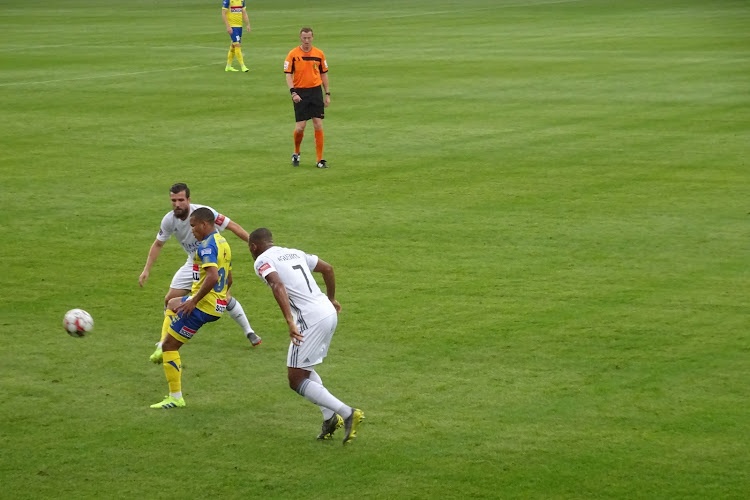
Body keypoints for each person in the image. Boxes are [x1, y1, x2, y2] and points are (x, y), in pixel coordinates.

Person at [248, 228, 364, 444]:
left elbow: (277, 284)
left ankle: (347, 413)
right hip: (327, 312)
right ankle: (330, 418)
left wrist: (290, 321)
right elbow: (328, 269)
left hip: (309, 319)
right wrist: (331, 299)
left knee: (296, 379)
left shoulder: (261, 260)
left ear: (253, 247)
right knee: (304, 369)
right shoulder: (294, 252)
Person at [139, 183, 261, 363]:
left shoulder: (205, 213)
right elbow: (158, 244)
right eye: (173, 200)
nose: (177, 204)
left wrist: (253, 245)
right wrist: (146, 269)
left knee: (223, 297)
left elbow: (231, 225)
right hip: (194, 262)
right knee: (169, 300)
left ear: (189, 199)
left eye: (181, 200)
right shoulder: (169, 220)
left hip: (214, 257)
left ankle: (249, 331)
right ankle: (164, 341)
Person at [150, 208, 232, 409]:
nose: (192, 230)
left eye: (194, 226)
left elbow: (213, 276)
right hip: (216, 304)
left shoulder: (206, 246)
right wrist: (221, 296)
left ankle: (175, 397)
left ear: (205, 224)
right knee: (171, 303)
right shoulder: (223, 243)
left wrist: (194, 300)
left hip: (203, 306)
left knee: (171, 346)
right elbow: (228, 277)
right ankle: (161, 345)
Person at [284, 27, 331, 168]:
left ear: (313, 38)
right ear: (300, 38)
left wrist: (327, 93)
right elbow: (288, 74)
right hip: (300, 92)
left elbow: (324, 74)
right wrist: (293, 92)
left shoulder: (319, 54)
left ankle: (319, 160)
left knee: (318, 123)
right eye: (304, 38)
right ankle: (296, 152)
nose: (306, 40)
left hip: (315, 91)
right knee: (300, 127)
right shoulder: (292, 54)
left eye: (309, 38)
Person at [222, 0, 251, 72]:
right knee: (237, 45)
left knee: (233, 46)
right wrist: (228, 26)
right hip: (232, 26)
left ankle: (228, 66)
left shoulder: (241, 1)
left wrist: (247, 24)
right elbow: (223, 14)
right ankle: (243, 66)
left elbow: (244, 12)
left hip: (239, 26)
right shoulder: (228, 0)